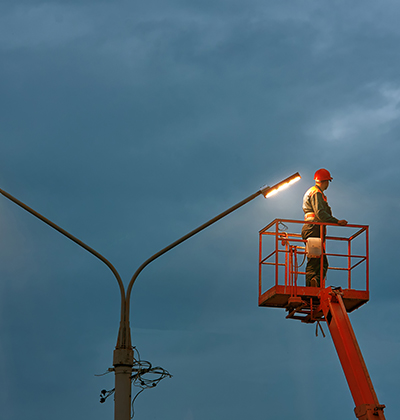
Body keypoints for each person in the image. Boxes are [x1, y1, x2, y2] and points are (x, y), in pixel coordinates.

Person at [301, 169, 347, 287]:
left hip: (312, 228)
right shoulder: (316, 193)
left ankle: (315, 283)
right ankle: (312, 286)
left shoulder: (313, 191)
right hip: (314, 228)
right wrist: (336, 221)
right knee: (316, 260)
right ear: (326, 181)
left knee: (319, 261)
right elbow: (320, 213)